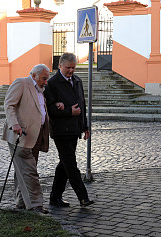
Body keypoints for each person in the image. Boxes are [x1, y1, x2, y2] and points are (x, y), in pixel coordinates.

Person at [44, 53, 94, 208]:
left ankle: (55, 197)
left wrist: (85, 126)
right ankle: (83, 197)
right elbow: (49, 109)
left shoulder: (77, 81)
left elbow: (82, 104)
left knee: (64, 164)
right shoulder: (52, 83)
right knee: (71, 164)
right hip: (60, 131)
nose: (71, 70)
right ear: (60, 66)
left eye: (73, 67)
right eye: (68, 68)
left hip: (74, 129)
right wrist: (67, 111)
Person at [2, 64, 51, 214]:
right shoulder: (21, 83)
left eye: (47, 79)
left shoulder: (40, 90)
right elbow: (9, 105)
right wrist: (14, 124)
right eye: (43, 78)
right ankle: (35, 205)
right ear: (33, 75)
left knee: (22, 170)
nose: (45, 82)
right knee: (29, 171)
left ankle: (21, 203)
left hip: (35, 136)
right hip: (20, 135)